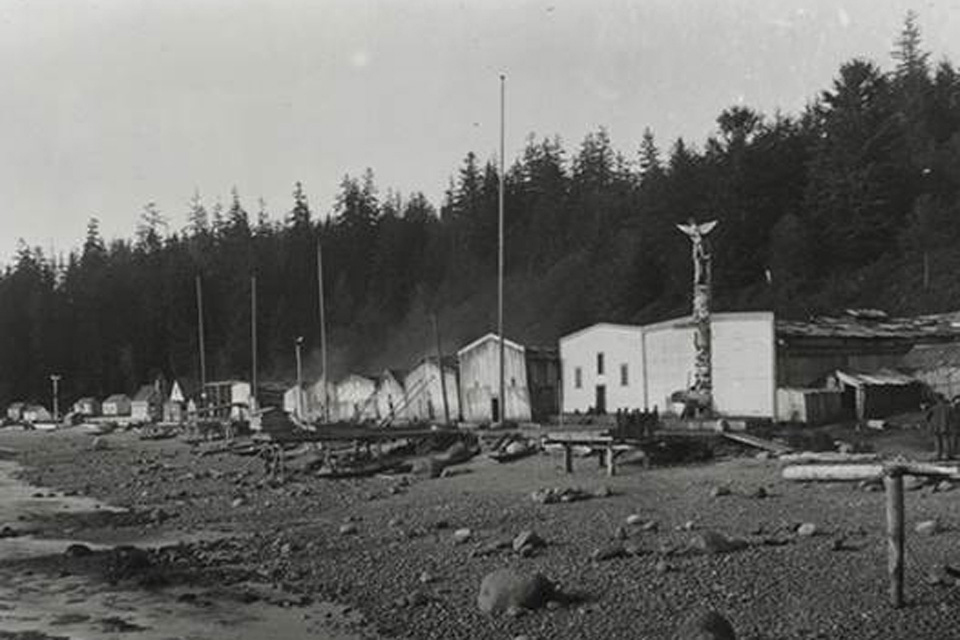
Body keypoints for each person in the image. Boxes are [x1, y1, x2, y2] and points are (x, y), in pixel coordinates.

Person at [927, 395, 951, 461]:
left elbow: (928, 417)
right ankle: (947, 455)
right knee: (945, 441)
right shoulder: (948, 407)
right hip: (945, 426)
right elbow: (952, 417)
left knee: (937, 442)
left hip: (936, 427)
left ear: (937, 399)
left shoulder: (934, 408)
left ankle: (938, 455)